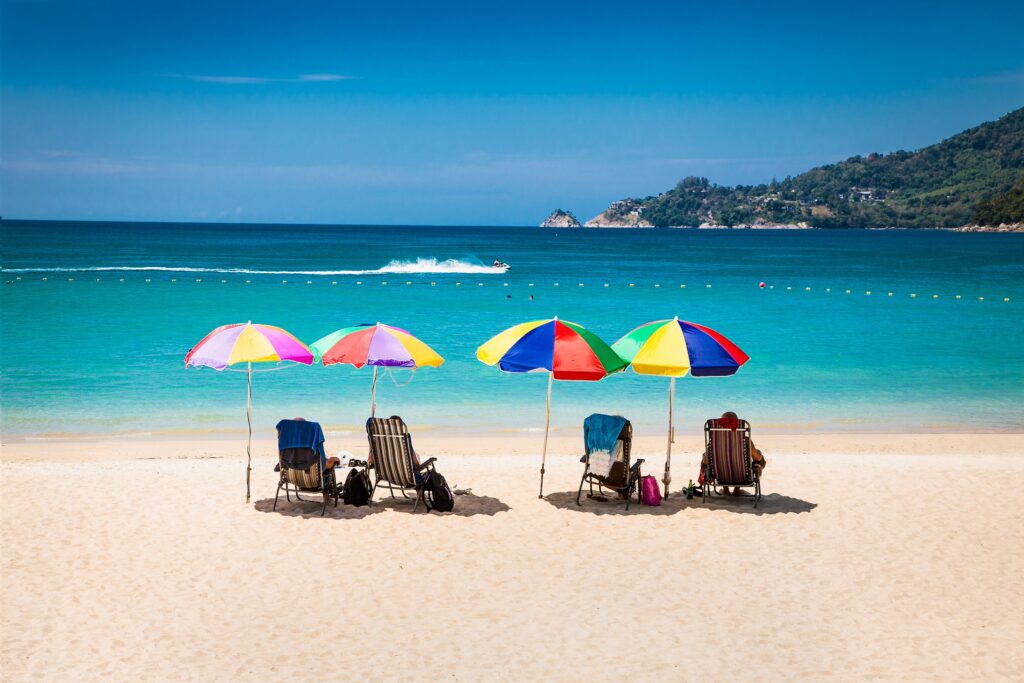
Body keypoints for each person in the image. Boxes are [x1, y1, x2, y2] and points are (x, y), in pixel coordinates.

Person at [700, 411, 765, 495]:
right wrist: (759, 455)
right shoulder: (745, 440)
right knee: (759, 458)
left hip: (721, 477)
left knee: (706, 457)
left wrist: (704, 458)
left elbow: (705, 461)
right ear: (736, 423)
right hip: (742, 478)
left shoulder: (714, 442)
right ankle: (737, 489)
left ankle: (725, 489)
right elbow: (757, 458)